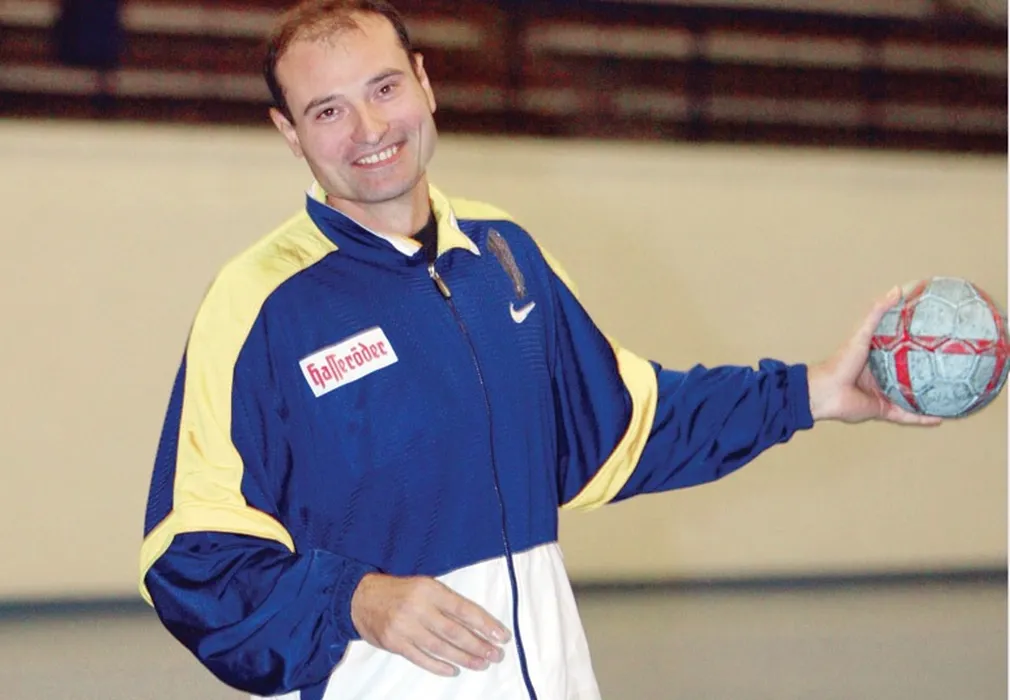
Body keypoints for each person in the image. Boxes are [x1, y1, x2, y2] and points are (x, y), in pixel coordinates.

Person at [137, 1, 940, 699]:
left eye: (384, 89)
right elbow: (191, 557)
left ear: (424, 83)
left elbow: (627, 422)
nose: (370, 129)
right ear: (288, 132)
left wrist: (812, 391)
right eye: (327, 111)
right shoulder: (260, 304)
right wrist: (355, 599)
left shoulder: (503, 255)